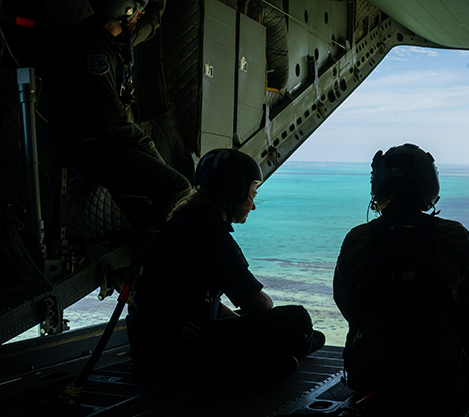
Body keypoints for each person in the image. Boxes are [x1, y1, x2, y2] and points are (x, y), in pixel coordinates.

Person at [333, 143, 469, 411]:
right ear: (430, 185)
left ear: (379, 186)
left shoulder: (358, 238)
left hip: (371, 376)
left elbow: (348, 307)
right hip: (446, 380)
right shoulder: (454, 236)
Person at [126, 148, 325, 384]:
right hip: (178, 355)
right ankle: (256, 363)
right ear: (235, 190)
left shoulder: (182, 223)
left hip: (152, 351)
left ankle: (273, 356)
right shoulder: (212, 235)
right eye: (252, 194)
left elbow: (200, 301)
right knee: (297, 320)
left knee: (292, 331)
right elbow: (259, 305)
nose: (253, 206)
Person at [51, 0, 190, 232]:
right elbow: (113, 124)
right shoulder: (93, 50)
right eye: (137, 9)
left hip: (114, 147)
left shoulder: (116, 38)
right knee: (179, 189)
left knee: (145, 217)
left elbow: (151, 22)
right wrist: (149, 148)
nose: (140, 13)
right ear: (123, 9)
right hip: (99, 151)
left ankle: (150, 254)